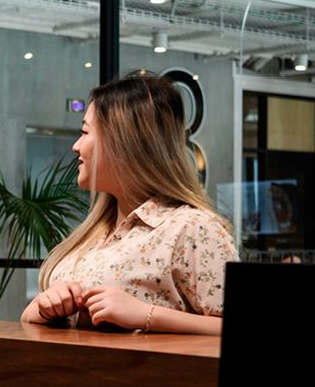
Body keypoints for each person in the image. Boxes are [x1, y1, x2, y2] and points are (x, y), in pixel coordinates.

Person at [21, 73, 238, 335]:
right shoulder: (96, 232)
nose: (76, 146)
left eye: (85, 132)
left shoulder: (193, 228)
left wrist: (146, 315)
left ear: (122, 141)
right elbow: (35, 320)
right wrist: (40, 309)